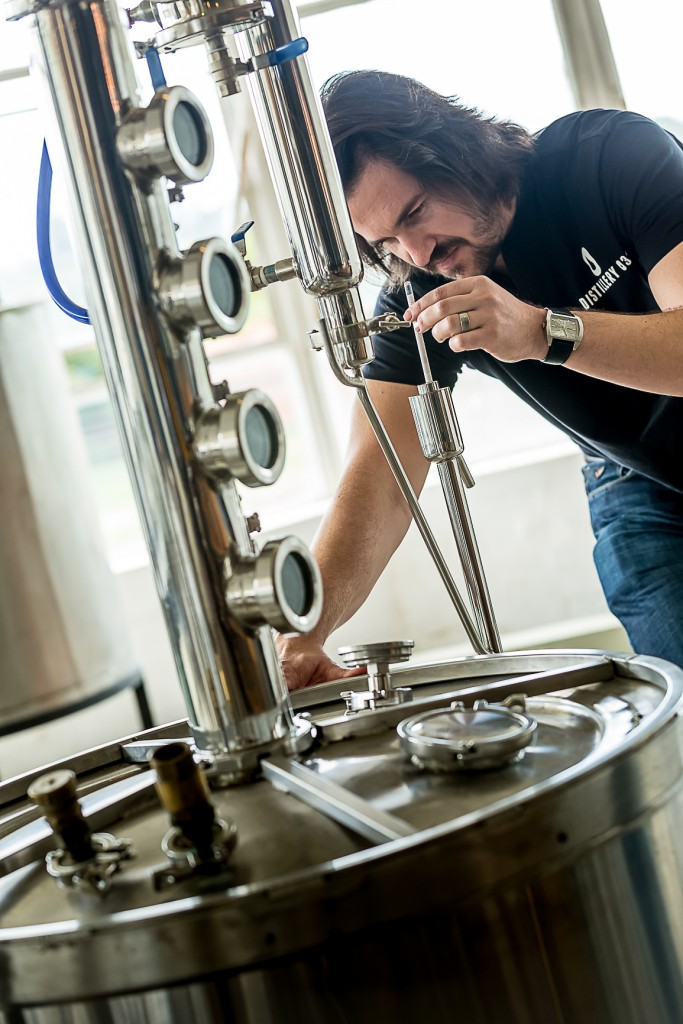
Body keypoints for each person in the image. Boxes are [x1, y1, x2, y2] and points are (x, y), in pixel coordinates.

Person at [278, 69, 683, 690]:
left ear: (458, 152)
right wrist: (306, 630)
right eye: (385, 240)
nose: (416, 252)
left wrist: (543, 331)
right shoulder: (419, 286)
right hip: (637, 479)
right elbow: (382, 469)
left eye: (416, 212)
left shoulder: (608, 157)